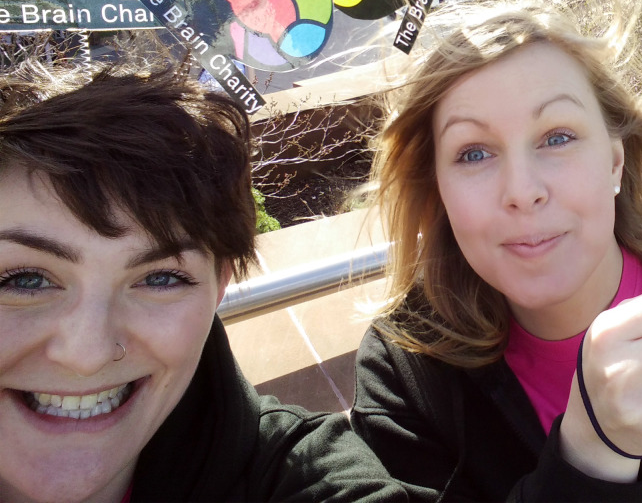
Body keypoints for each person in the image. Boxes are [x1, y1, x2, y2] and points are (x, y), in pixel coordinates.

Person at [350, 0, 642, 501]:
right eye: (474, 153)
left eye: (557, 137)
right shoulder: (404, 377)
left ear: (614, 163)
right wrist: (589, 457)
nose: (523, 192)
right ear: (438, 191)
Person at [0, 59, 406, 502]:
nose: (87, 354)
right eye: (26, 280)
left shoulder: (304, 478)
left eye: (159, 278)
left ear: (220, 286)